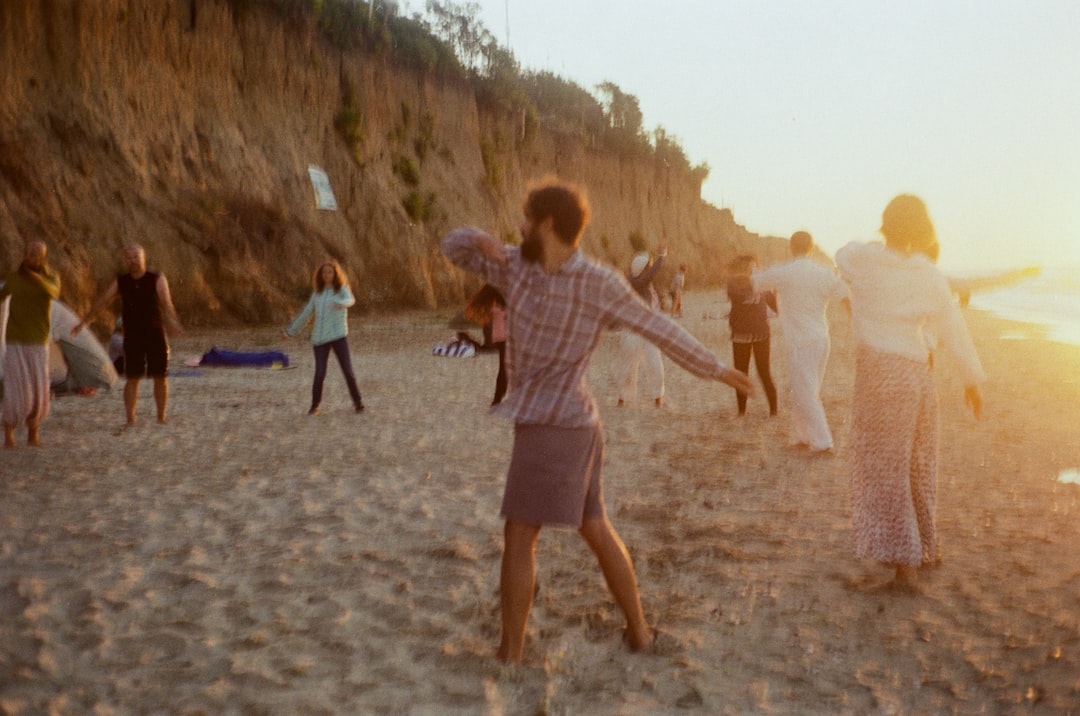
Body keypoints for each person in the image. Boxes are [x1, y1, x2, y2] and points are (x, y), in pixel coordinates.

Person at [440, 178, 753, 663]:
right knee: (596, 528)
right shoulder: (517, 265)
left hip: (552, 424)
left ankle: (511, 652)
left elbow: (660, 328)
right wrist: (480, 238)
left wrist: (715, 369)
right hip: (580, 424)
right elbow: (452, 246)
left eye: (525, 218)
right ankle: (640, 633)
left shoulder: (588, 280)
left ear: (546, 223)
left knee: (520, 536)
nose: (518, 226)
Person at [836, 195, 984, 589]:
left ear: (885, 225)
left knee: (886, 469)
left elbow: (843, 253)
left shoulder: (865, 261)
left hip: (881, 375)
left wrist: (879, 244)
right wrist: (971, 380)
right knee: (916, 463)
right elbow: (952, 326)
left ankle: (904, 570)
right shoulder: (928, 274)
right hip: (917, 374)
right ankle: (923, 550)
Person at [751, 231, 848, 452]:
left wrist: (751, 271)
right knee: (805, 389)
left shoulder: (785, 272)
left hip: (801, 341)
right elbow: (844, 294)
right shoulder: (823, 273)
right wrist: (853, 319)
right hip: (822, 338)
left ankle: (823, 441)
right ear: (812, 248)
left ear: (791, 248)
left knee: (804, 391)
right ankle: (805, 435)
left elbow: (755, 283)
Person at [74, 244, 183, 426]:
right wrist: (84, 322)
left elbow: (166, 302)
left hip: (155, 334)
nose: (132, 260)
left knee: (160, 377)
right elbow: (102, 301)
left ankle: (161, 417)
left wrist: (174, 322)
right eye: (129, 257)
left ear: (143, 258)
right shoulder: (122, 281)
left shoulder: (156, 278)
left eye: (135, 257)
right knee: (132, 378)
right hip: (132, 336)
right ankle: (130, 419)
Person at [283, 260, 364, 415]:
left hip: (338, 337)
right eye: (324, 272)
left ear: (335, 274)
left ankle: (358, 403)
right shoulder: (317, 294)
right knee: (320, 372)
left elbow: (350, 300)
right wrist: (290, 332)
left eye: (330, 272)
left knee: (347, 370)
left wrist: (341, 303)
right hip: (319, 340)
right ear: (321, 275)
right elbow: (306, 314)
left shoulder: (342, 290)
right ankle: (315, 406)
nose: (327, 275)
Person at [1, 241, 60, 448]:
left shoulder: (51, 277)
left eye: (35, 254)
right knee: (16, 389)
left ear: (43, 258)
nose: (30, 257)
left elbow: (52, 292)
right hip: (15, 340)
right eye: (28, 253)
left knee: (39, 390)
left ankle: (33, 434)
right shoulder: (14, 278)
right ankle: (8, 434)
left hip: (38, 340)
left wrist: (34, 277)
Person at [726, 255, 778, 417]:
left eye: (754, 266)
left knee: (764, 372)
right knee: (741, 374)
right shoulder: (733, 283)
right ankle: (742, 411)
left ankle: (774, 411)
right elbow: (737, 295)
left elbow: (776, 305)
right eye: (748, 266)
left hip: (761, 333)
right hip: (740, 334)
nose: (751, 269)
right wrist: (756, 280)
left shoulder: (762, 284)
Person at [618, 248, 666, 407]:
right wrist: (662, 256)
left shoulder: (646, 285)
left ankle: (657, 397)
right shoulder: (635, 282)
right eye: (648, 266)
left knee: (654, 362)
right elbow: (650, 274)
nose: (650, 268)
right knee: (628, 366)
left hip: (649, 330)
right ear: (642, 268)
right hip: (633, 331)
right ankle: (623, 397)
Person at [464, 284, 508, 405]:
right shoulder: (509, 305)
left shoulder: (495, 306)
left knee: (503, 368)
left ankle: (497, 398)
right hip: (509, 339)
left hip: (499, 339)